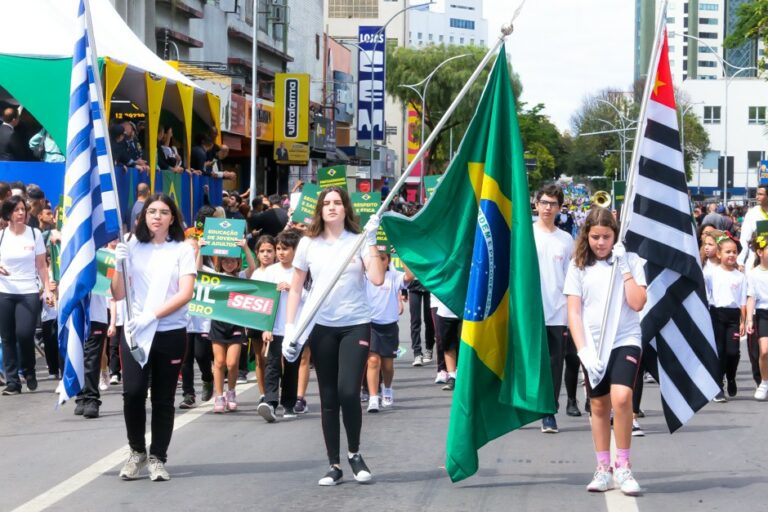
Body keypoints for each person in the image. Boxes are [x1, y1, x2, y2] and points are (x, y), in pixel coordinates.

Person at [283, 186, 385, 486]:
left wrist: (373, 241)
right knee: (328, 397)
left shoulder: (359, 240)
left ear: (345, 208)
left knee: (349, 392)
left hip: (356, 323)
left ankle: (355, 453)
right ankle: (335, 464)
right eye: (326, 203)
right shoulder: (308, 244)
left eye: (337, 203)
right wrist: (291, 329)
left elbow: (377, 278)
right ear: (319, 209)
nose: (331, 207)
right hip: (321, 325)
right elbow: (297, 287)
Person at [111, 193, 196, 481]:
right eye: (151, 211)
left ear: (172, 217)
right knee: (133, 393)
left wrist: (153, 315)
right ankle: (137, 452)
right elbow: (118, 293)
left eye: (163, 212)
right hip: (136, 332)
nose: (157, 216)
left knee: (163, 399)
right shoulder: (131, 245)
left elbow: (186, 293)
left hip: (169, 332)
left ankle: (158, 456)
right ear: (143, 217)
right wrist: (118, 265)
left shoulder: (183, 249)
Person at [564, 207, 647, 496]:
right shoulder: (578, 265)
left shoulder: (632, 260)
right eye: (596, 237)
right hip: (593, 345)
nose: (601, 243)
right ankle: (603, 468)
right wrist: (583, 351)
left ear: (615, 236)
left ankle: (623, 466)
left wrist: (624, 267)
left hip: (625, 338)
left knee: (622, 398)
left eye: (607, 237)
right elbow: (574, 312)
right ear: (587, 235)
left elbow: (637, 303)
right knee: (598, 406)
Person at [0, 196, 53, 395]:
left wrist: (47, 289)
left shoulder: (34, 233)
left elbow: (41, 265)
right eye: (16, 210)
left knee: (24, 334)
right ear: (8, 214)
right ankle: (13, 382)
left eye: (23, 209)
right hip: (4, 291)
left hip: (28, 291)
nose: (21, 213)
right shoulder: (2, 236)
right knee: (7, 337)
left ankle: (29, 370)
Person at [533, 184, 575, 433]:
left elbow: (571, 278)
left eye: (553, 204)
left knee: (553, 366)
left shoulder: (566, 239)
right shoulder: (525, 234)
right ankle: (524, 407)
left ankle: (549, 412)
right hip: (530, 312)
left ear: (560, 208)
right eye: (544, 202)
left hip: (557, 312)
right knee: (527, 363)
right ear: (536, 204)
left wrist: (572, 313)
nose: (548, 208)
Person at [258, 229, 305, 422]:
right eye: (278, 249)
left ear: (295, 251)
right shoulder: (271, 272)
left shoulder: (302, 272)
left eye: (285, 249)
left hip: (295, 328)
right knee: (272, 364)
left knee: (291, 366)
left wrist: (294, 289)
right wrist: (265, 327)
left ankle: (289, 404)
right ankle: (270, 402)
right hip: (275, 326)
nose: (280, 253)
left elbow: (311, 297)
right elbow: (264, 301)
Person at [365, 253, 413, 412]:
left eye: (383, 259)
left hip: (389, 326)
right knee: (372, 361)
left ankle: (387, 388)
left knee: (387, 365)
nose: (379, 262)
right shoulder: (365, 276)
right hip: (370, 325)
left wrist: (402, 252)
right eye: (376, 259)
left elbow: (410, 276)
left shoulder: (394, 276)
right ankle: (373, 397)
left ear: (388, 261)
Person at [704, 234, 746, 402]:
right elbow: (704, 294)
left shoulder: (740, 276)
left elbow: (743, 300)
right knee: (719, 352)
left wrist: (743, 320)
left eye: (734, 252)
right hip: (716, 314)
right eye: (728, 252)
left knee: (733, 352)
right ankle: (717, 386)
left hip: (733, 316)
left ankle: (731, 377)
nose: (731, 255)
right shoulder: (711, 273)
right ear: (719, 254)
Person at [746, 234, 768, 400]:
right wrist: (749, 319)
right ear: (760, 252)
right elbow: (751, 297)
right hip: (763, 314)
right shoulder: (753, 274)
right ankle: (764, 382)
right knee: (764, 351)